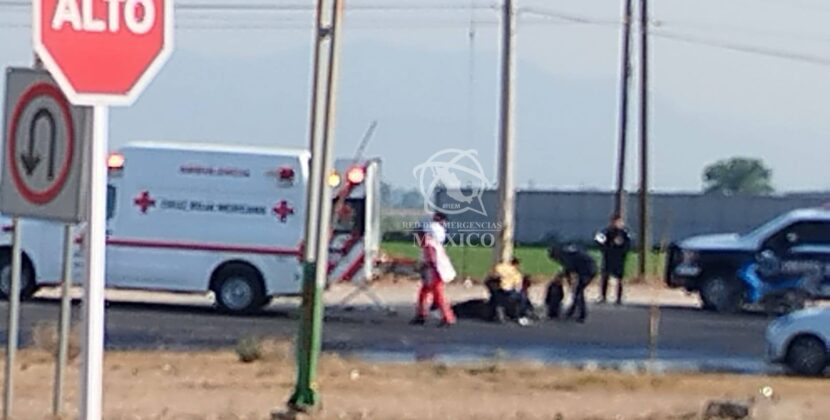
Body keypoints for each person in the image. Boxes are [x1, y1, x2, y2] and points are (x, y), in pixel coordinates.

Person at [411, 212, 457, 327]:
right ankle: (421, 314)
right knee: (424, 293)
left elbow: (431, 261)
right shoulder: (434, 244)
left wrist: (424, 268)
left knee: (438, 295)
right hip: (434, 272)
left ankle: (448, 318)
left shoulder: (429, 245)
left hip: (435, 273)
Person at [548, 243, 597, 323]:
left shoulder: (565, 257)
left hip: (588, 271)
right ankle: (572, 311)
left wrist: (568, 281)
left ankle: (582, 314)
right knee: (577, 291)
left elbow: (569, 271)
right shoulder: (568, 252)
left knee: (578, 292)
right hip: (588, 268)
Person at [596, 214, 631, 305]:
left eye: (619, 222)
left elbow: (628, 244)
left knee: (619, 278)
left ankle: (619, 298)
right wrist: (605, 249)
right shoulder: (607, 232)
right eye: (615, 222)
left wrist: (624, 252)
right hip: (609, 257)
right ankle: (603, 296)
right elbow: (599, 239)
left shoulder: (624, 233)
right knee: (605, 276)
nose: (617, 224)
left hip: (619, 258)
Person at [486, 257, 525, 324]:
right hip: (509, 291)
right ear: (516, 264)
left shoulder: (501, 267)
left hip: (498, 289)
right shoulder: (517, 274)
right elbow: (518, 287)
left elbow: (493, 274)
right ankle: (519, 315)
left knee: (496, 297)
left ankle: (496, 311)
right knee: (522, 297)